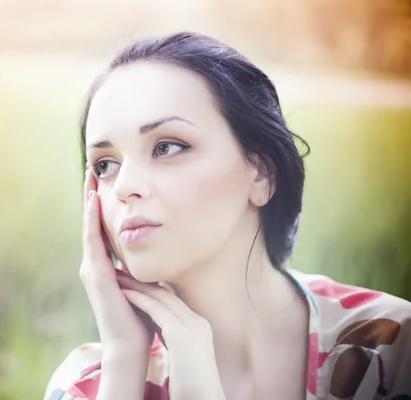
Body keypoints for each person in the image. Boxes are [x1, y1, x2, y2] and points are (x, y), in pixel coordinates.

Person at [44, 32, 411, 400]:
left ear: (261, 173)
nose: (123, 187)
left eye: (166, 147)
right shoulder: (88, 385)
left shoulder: (389, 348)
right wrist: (124, 360)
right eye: (105, 165)